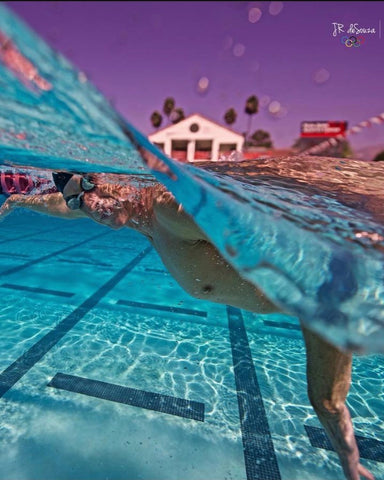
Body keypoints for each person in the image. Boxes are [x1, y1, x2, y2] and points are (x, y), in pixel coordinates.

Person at [0, 170, 375, 480]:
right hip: (313, 306)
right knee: (326, 403)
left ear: (111, 177)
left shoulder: (169, 209)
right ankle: (352, 467)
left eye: (88, 186)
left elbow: (267, 227)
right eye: (79, 199)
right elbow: (64, 205)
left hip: (326, 301)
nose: (91, 204)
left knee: (326, 400)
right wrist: (19, 200)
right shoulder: (120, 208)